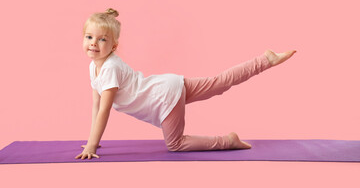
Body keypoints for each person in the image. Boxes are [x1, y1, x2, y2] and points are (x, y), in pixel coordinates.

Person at [75, 8, 296, 160]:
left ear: (113, 46)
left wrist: (93, 145)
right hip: (168, 86)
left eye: (102, 39)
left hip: (164, 99)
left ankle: (227, 141)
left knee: (175, 144)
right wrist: (91, 140)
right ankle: (265, 60)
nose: (94, 43)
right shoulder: (93, 67)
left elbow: (105, 110)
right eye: (89, 37)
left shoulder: (110, 68)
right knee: (218, 83)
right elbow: (96, 106)